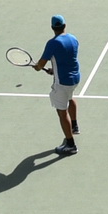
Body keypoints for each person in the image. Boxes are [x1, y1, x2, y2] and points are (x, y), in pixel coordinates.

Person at [32, 13, 82, 154]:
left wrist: (37, 67)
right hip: (75, 78)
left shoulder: (52, 43)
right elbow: (66, 58)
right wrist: (54, 70)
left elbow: (40, 64)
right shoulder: (73, 39)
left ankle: (71, 144)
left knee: (61, 112)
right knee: (70, 98)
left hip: (62, 83)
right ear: (64, 26)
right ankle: (74, 126)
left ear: (52, 28)